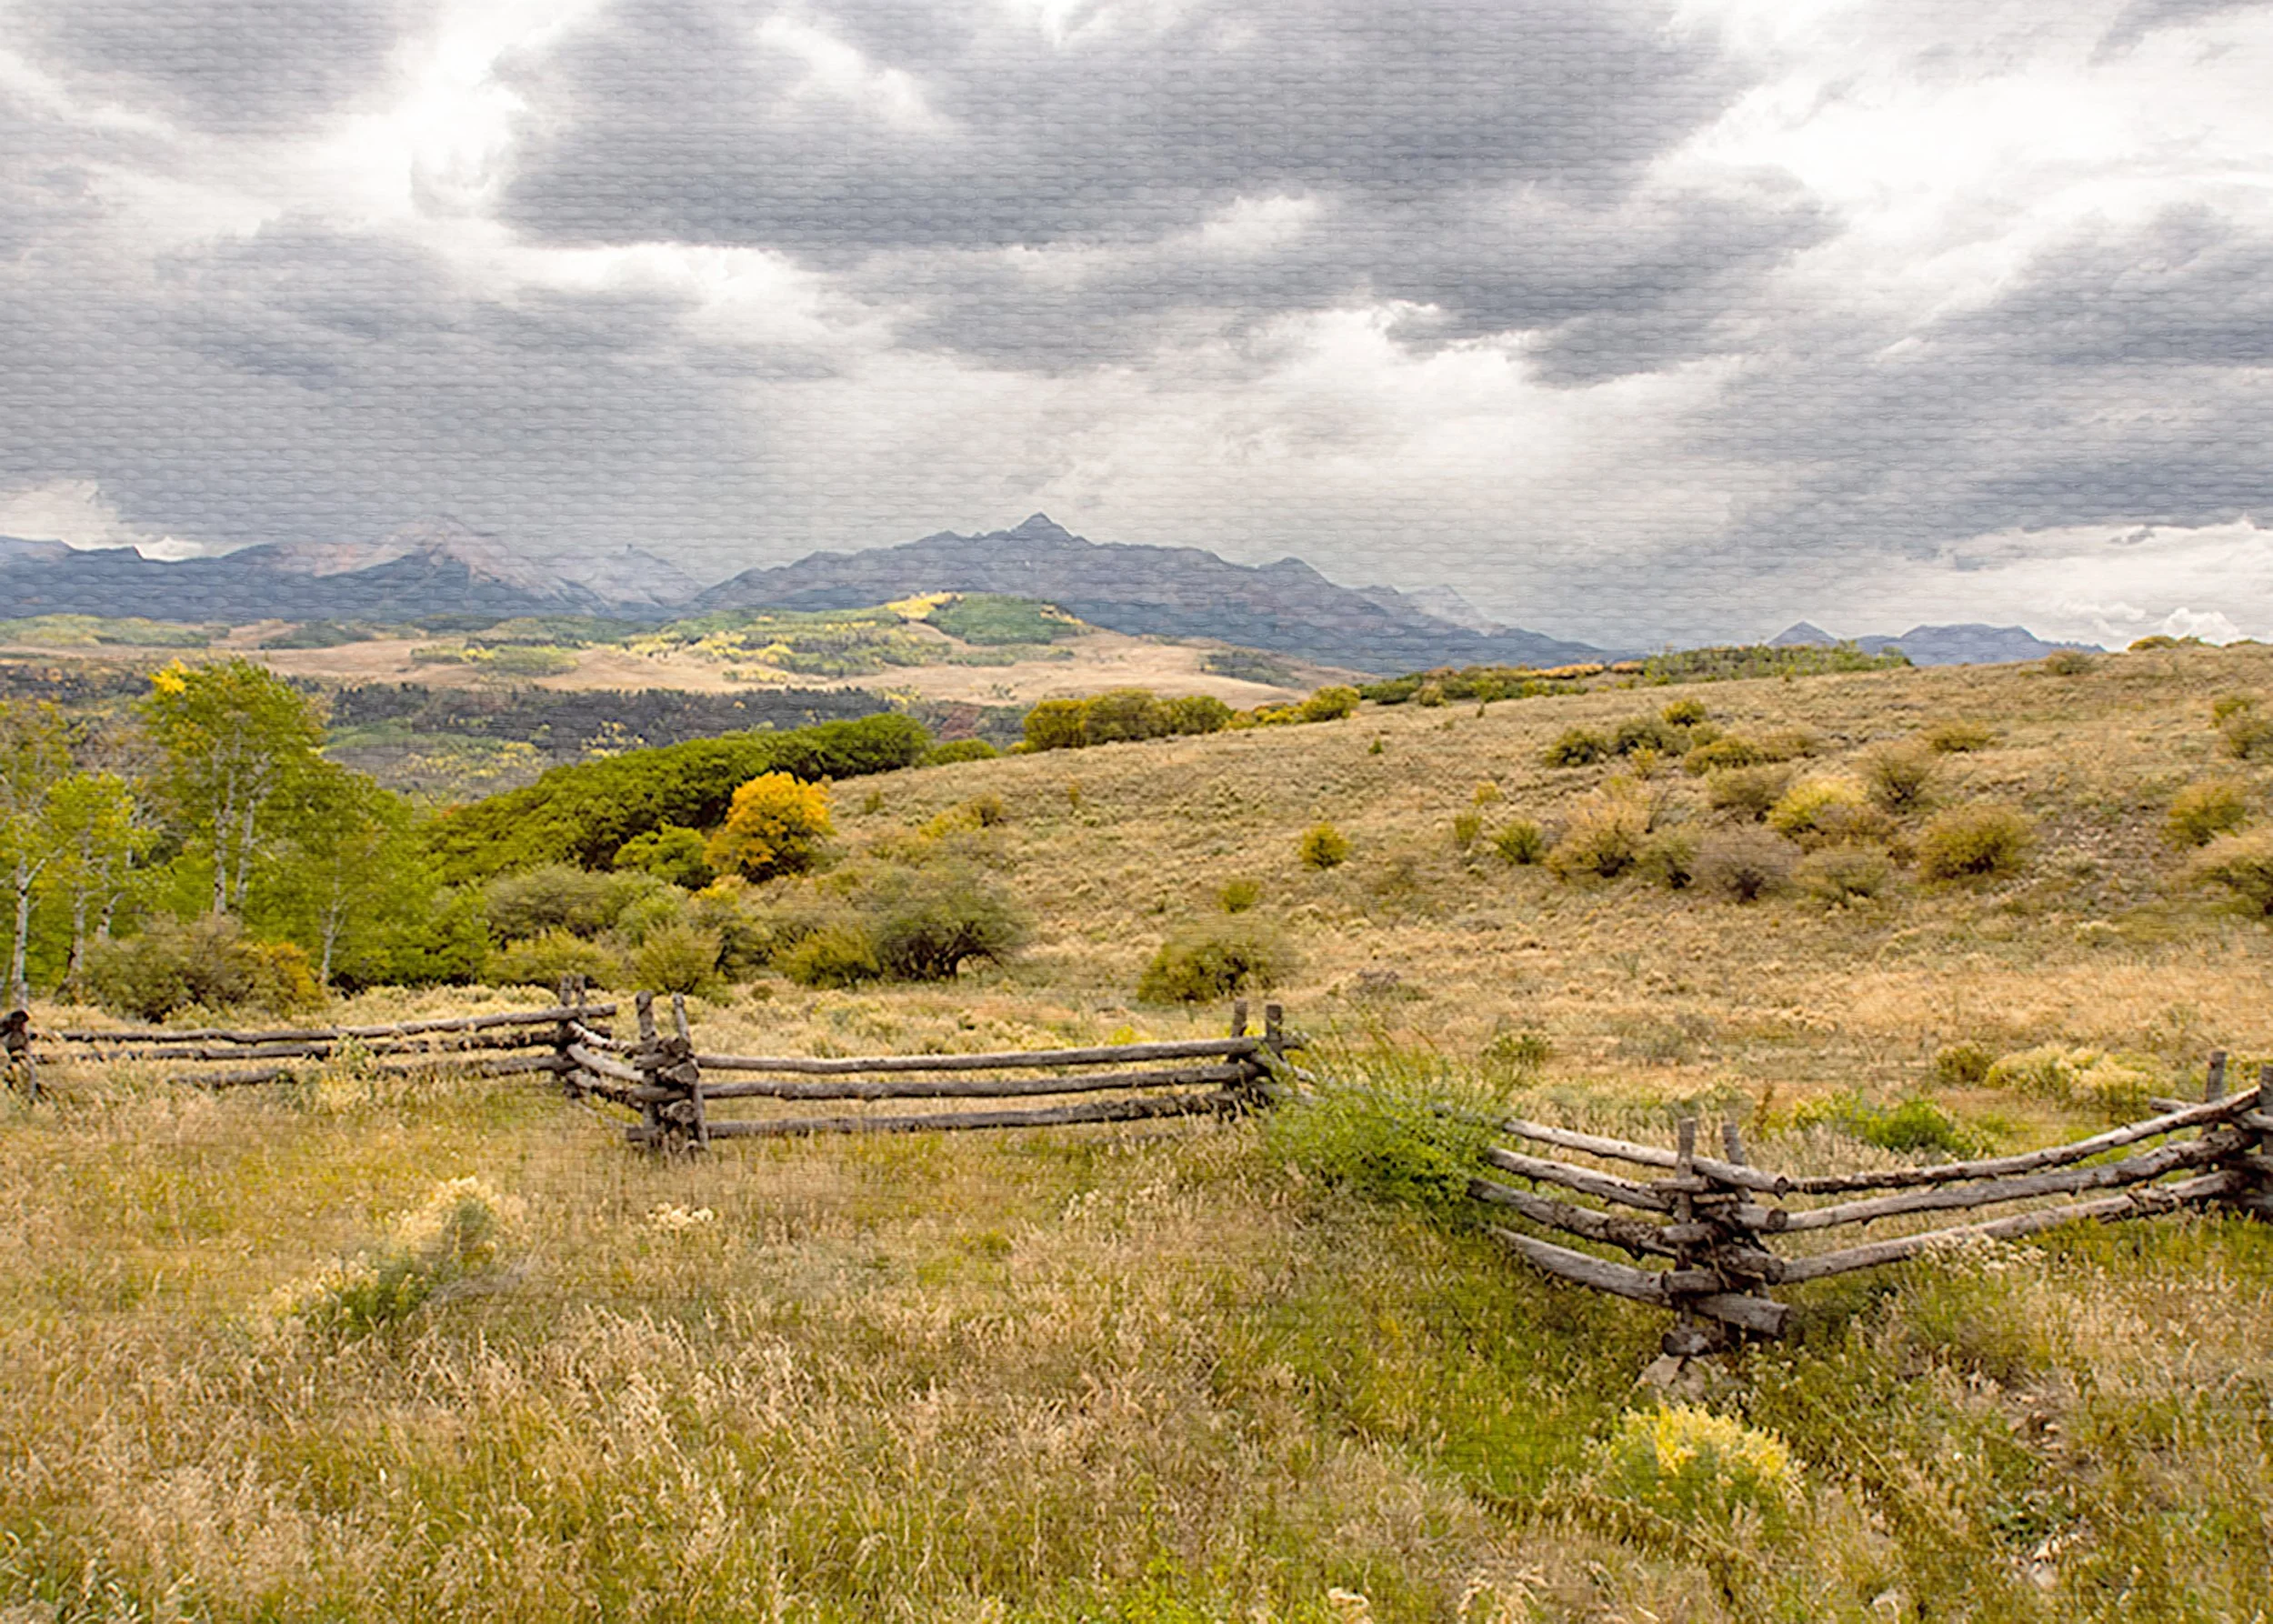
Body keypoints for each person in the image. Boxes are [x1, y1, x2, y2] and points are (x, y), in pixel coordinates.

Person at [2, 1008, 35, 1101]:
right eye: (18, 1019)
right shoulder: (6, 1026)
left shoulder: (22, 1031)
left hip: (20, 1052)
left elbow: (25, 1042)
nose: (19, 1022)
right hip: (8, 1052)